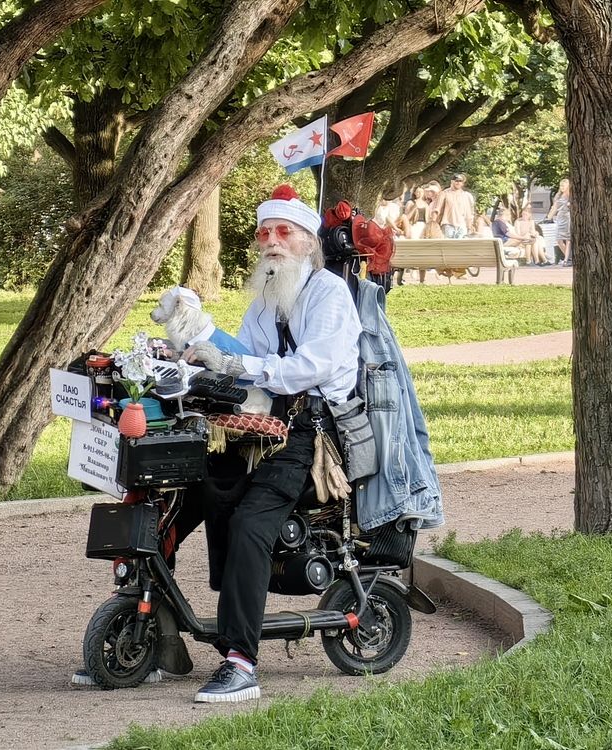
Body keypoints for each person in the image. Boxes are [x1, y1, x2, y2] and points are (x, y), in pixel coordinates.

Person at [182, 184, 360, 703]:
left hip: (314, 434)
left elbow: (312, 367)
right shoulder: (264, 299)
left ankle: (241, 662)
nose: (272, 243)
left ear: (308, 242)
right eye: (265, 234)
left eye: (284, 233)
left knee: (252, 521)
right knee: (197, 490)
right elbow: (247, 363)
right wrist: (203, 349)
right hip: (260, 425)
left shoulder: (329, 292)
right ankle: (159, 629)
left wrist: (240, 365)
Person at [433, 173, 475, 238]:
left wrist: (469, 226)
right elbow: (436, 209)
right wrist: (433, 223)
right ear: (452, 181)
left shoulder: (466, 195)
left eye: (460, 181)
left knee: (460, 246)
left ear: (462, 183)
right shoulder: (444, 193)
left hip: (462, 226)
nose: (458, 183)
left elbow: (469, 214)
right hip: (447, 225)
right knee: (448, 247)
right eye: (456, 180)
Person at [546, 178, 572, 265]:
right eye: (560, 185)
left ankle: (566, 259)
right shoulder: (558, 195)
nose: (561, 187)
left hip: (568, 217)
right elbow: (554, 207)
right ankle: (569, 257)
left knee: (568, 239)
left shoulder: (570, 195)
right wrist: (549, 217)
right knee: (558, 239)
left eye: (563, 186)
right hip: (560, 217)